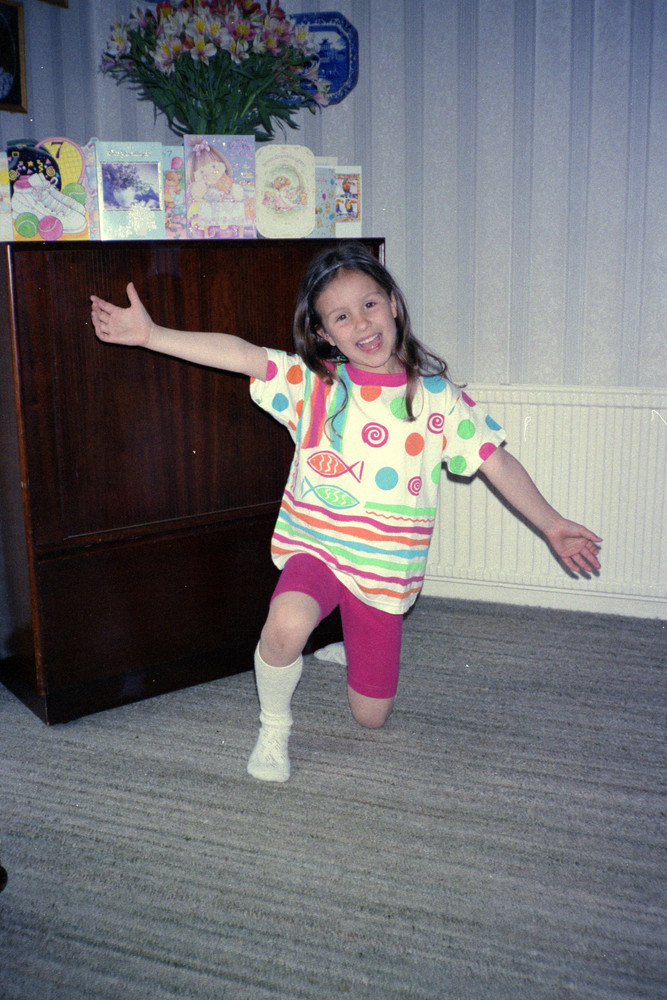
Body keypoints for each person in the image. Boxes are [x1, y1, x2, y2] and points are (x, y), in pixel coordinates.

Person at [91, 243, 601, 783]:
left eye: (370, 304)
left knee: (371, 718)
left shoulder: (438, 399)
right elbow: (242, 354)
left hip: (382, 570)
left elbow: (496, 461)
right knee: (285, 626)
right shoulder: (316, 385)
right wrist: (152, 335)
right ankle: (274, 725)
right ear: (324, 334)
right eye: (340, 317)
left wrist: (552, 524)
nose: (361, 323)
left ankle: (346, 642)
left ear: (394, 304)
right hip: (318, 546)